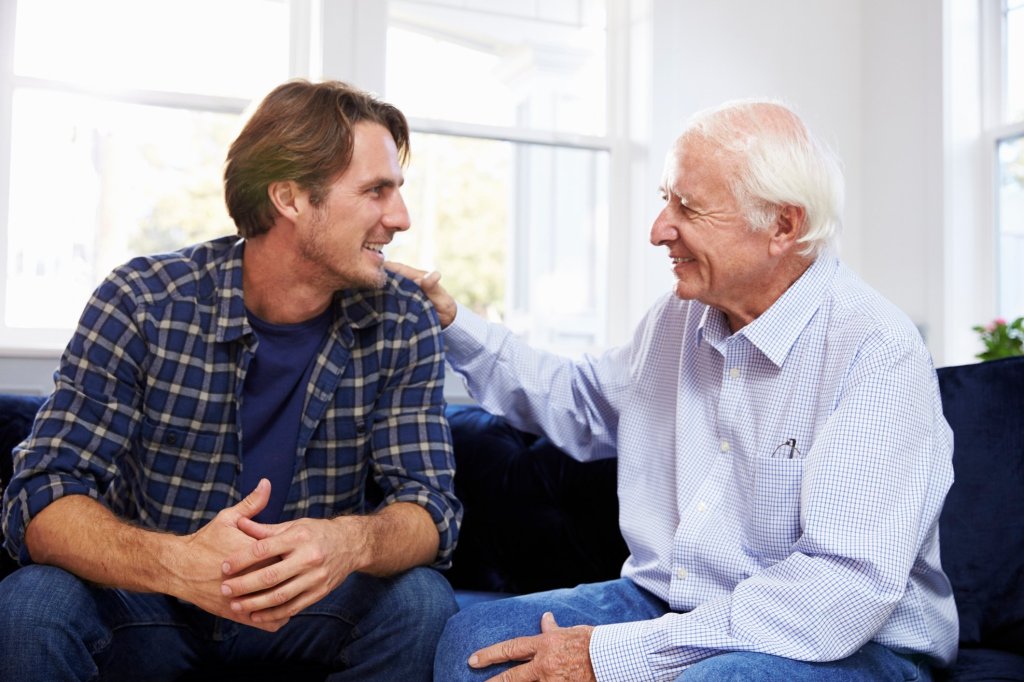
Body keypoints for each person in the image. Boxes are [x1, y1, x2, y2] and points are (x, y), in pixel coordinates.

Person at [391, 99, 958, 681]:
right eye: (667, 199)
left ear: (782, 226)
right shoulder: (678, 319)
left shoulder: (876, 351)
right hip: (674, 602)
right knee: (474, 641)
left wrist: (611, 657)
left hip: (856, 639)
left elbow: (841, 593)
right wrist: (452, 323)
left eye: (687, 207)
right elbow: (576, 397)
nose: (660, 229)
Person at [0, 79, 461, 681]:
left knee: (421, 601)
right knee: (32, 603)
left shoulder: (403, 318)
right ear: (290, 198)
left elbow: (430, 508)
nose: (399, 218)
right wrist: (177, 563)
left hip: (306, 611)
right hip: (154, 605)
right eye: (376, 191)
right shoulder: (142, 301)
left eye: (397, 192)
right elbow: (39, 497)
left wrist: (348, 543)